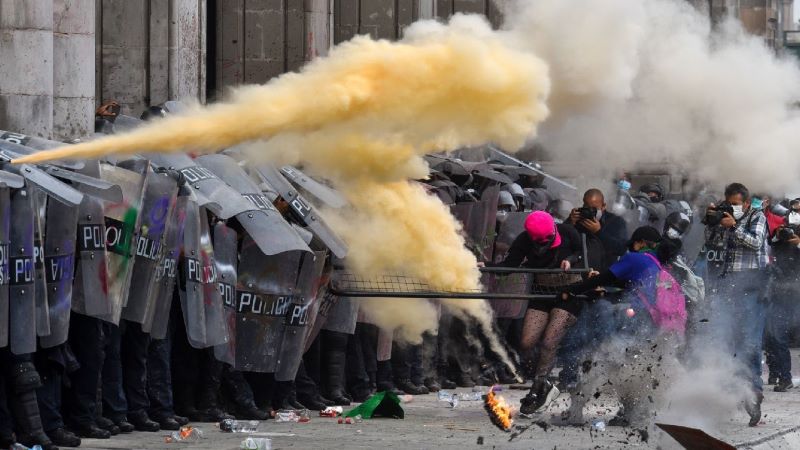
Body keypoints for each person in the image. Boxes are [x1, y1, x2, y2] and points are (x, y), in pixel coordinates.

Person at [489, 211, 583, 414]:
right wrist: (486, 266)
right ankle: (542, 380)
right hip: (541, 292)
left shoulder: (568, 232)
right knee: (527, 341)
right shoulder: (523, 240)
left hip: (569, 292)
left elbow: (581, 252)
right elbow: (509, 266)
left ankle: (539, 386)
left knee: (550, 341)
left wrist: (570, 260)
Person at [702, 182, 769, 426]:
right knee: (724, 337)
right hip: (728, 283)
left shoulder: (757, 216)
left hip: (752, 286)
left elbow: (756, 242)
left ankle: (754, 394)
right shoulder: (726, 216)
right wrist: (712, 221)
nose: (733, 207)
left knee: (749, 340)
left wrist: (735, 226)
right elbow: (711, 242)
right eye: (730, 203)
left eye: (737, 203)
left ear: (747, 202)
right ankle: (724, 392)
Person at [558, 189, 628, 389]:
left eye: (594, 209)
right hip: (579, 285)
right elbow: (561, 241)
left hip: (605, 287)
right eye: (586, 208)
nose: (590, 212)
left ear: (604, 207)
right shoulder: (576, 222)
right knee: (574, 336)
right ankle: (569, 375)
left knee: (602, 332)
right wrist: (569, 223)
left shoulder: (616, 223)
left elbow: (620, 248)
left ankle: (603, 378)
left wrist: (599, 232)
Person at [764, 199, 800, 392]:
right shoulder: (777, 239)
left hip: (796, 293)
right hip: (779, 292)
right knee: (776, 335)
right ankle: (781, 376)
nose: (787, 229)